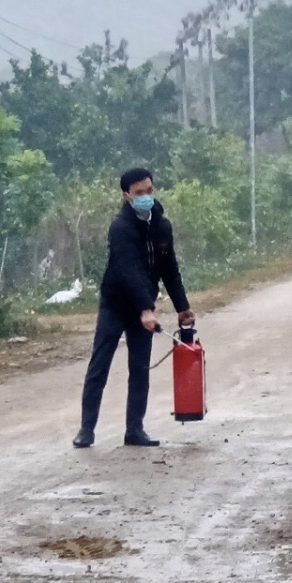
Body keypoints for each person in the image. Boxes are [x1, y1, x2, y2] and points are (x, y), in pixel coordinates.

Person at [73, 168, 195, 449]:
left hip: (145, 308)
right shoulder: (120, 228)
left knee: (140, 368)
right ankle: (86, 430)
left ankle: (135, 430)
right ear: (126, 195)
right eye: (139, 193)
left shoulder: (162, 226)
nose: (146, 197)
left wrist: (182, 307)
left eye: (149, 191)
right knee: (99, 366)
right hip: (116, 306)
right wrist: (145, 308)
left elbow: (169, 269)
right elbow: (129, 270)